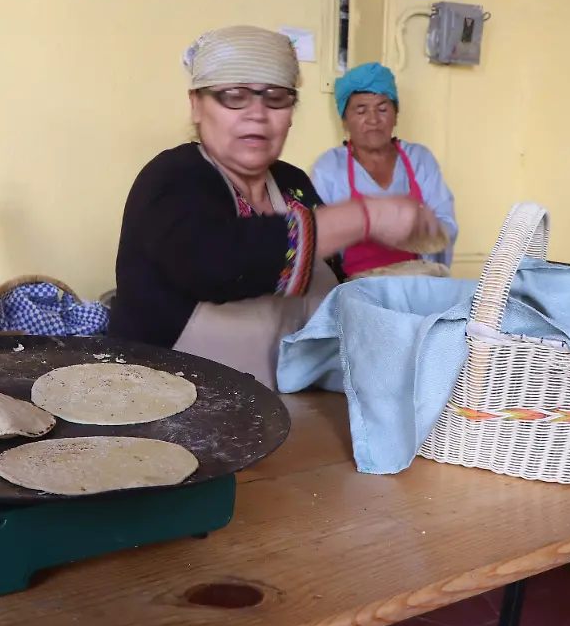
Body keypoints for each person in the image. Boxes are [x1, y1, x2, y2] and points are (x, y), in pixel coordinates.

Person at [108, 26, 439, 389]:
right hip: (172, 409)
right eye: (234, 96)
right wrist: (365, 216)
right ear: (196, 105)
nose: (257, 114)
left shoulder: (293, 184)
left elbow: (328, 291)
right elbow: (219, 262)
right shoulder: (171, 179)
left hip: (288, 407)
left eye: (276, 98)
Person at [310, 62, 458, 278]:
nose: (373, 120)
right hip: (355, 288)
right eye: (361, 111)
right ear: (345, 120)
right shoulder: (330, 167)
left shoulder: (419, 159)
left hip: (416, 281)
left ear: (396, 114)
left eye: (382, 109)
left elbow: (447, 227)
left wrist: (423, 226)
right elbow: (316, 238)